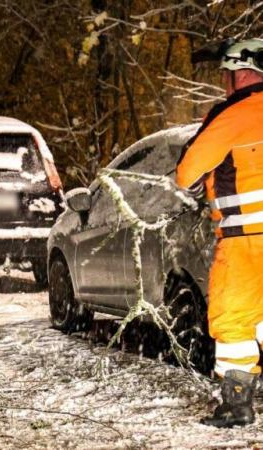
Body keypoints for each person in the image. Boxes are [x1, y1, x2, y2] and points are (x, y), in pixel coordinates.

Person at [176, 38, 263, 428]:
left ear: (239, 73)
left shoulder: (233, 114)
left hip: (247, 240)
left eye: (226, 75)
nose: (224, 83)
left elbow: (187, 171)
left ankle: (237, 404)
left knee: (235, 319)